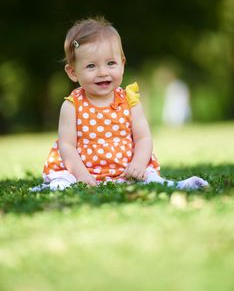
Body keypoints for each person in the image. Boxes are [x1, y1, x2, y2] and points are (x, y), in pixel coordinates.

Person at [31, 17, 208, 191]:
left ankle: (180, 185)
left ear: (122, 65)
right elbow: (67, 146)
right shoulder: (72, 106)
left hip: (126, 169)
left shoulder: (130, 101)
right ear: (73, 72)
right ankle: (56, 187)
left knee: (149, 177)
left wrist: (138, 164)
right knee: (63, 181)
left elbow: (143, 138)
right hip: (80, 169)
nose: (103, 72)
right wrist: (81, 175)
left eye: (110, 63)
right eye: (91, 66)